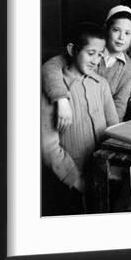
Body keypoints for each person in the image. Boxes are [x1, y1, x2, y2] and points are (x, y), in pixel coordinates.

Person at [41, 22, 119, 215]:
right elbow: (48, 146)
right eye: (91, 53)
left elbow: (114, 129)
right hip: (68, 184)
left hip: (103, 176)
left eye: (100, 54)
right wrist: (76, 180)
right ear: (72, 50)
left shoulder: (101, 85)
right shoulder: (53, 92)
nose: (96, 60)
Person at [42, 6, 131, 125]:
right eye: (116, 30)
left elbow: (120, 105)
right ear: (106, 29)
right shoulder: (87, 48)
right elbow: (50, 67)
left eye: (127, 33)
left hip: (100, 123)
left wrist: (112, 133)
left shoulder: (128, 67)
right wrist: (61, 98)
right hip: (71, 113)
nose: (121, 37)